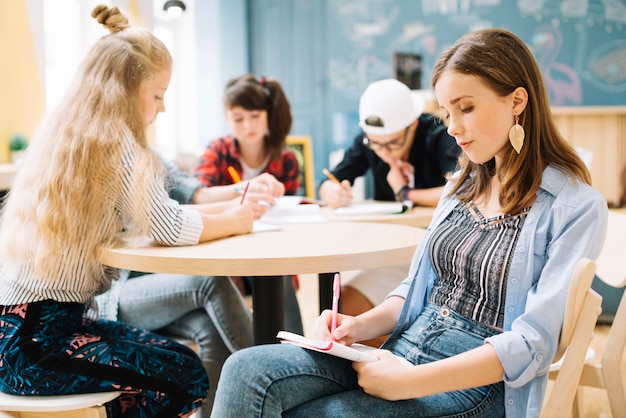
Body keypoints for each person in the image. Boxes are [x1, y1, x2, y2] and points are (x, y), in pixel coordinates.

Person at [210, 28, 608, 417]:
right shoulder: (462, 186)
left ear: (517, 101)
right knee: (243, 370)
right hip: (406, 348)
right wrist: (359, 326)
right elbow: (417, 287)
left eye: (465, 108)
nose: (452, 127)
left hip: (475, 387)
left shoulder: (575, 206)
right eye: (446, 112)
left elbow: (534, 343)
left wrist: (408, 383)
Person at [0, 5, 254, 417]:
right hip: (36, 346)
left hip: (21, 333)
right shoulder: (117, 143)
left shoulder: (68, 134)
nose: (163, 108)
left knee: (172, 360)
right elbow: (169, 225)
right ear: (126, 89)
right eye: (158, 95)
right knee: (184, 375)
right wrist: (236, 220)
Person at [94, 156, 272, 416]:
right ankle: (271, 373)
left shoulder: (146, 152)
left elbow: (188, 191)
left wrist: (235, 202)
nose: (162, 111)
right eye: (157, 109)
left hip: (154, 285)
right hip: (112, 293)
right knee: (210, 282)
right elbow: (170, 221)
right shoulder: (119, 153)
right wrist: (231, 215)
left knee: (210, 326)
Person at [319, 78, 461, 343]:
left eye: (393, 144)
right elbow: (331, 180)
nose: (383, 153)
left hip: (436, 253)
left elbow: (462, 187)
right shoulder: (370, 141)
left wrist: (405, 193)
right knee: (343, 311)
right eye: (376, 144)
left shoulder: (438, 135)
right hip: (389, 252)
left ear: (412, 125)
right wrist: (331, 190)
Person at [195, 73, 303, 333]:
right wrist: (237, 197)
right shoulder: (217, 151)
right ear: (227, 119)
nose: (247, 126)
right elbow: (196, 194)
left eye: (255, 116)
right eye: (238, 119)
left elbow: (290, 216)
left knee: (277, 274)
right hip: (224, 249)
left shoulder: (286, 159)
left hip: (271, 249)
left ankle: (296, 354)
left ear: (268, 115)